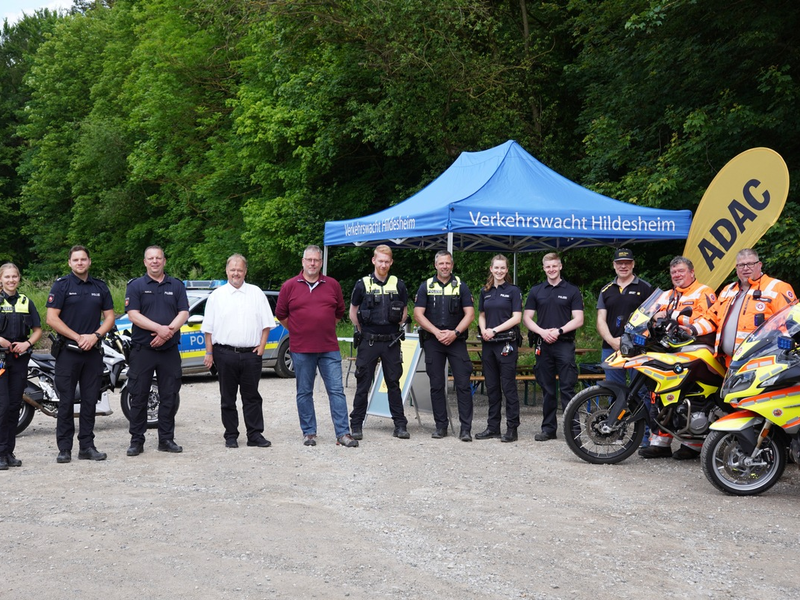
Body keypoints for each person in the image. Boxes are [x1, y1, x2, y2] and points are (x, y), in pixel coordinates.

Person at [275, 245, 358, 448]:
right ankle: (309, 432)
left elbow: (339, 312)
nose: (313, 263)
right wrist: (297, 329)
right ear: (303, 262)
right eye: (309, 260)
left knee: (336, 391)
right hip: (301, 348)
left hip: (329, 347)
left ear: (321, 263)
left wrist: (323, 326)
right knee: (304, 392)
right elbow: (281, 314)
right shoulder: (289, 286)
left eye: (316, 260)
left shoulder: (332, 285)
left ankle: (343, 433)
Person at [638, 255, 716, 460]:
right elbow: (650, 315)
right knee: (660, 392)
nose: (677, 275)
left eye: (681, 271)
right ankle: (660, 442)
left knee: (691, 394)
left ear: (692, 272)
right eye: (673, 272)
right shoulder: (666, 295)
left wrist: (683, 323)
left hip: (696, 348)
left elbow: (710, 319)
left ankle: (693, 443)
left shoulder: (704, 292)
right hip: (668, 349)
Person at [46, 246, 115, 464]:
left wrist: (95, 336)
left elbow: (110, 317)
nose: (80, 263)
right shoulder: (61, 286)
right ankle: (64, 448)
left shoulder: (99, 286)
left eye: (83, 259)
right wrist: (77, 337)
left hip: (92, 352)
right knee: (66, 401)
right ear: (69, 263)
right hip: (68, 352)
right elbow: (51, 318)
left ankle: (87, 446)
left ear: (89, 261)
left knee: (89, 401)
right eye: (75, 260)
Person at [201, 254, 276, 449]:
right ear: (227, 271)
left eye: (240, 270)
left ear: (245, 272)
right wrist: (209, 353)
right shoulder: (217, 296)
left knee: (252, 397)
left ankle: (255, 435)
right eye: (233, 270)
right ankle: (231, 435)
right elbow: (208, 329)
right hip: (224, 353)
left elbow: (267, 324)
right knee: (228, 397)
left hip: (251, 354)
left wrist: (262, 346)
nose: (236, 273)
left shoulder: (256, 293)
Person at [124, 246, 189, 456]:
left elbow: (184, 313)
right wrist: (159, 329)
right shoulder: (136, 286)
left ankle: (166, 439)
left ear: (164, 261)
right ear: (145, 262)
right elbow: (133, 315)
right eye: (150, 258)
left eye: (158, 258)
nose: (155, 261)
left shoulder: (176, 285)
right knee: (138, 396)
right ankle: (136, 441)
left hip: (169, 350)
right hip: (143, 350)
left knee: (169, 395)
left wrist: (167, 333)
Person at [349, 245, 410, 440]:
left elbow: (404, 312)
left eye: (386, 261)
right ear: (373, 261)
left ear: (391, 262)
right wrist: (362, 331)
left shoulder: (398, 284)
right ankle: (356, 424)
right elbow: (353, 311)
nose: (383, 265)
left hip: (391, 342)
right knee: (363, 383)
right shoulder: (362, 284)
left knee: (393, 383)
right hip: (369, 341)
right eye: (380, 261)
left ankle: (400, 425)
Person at [413, 250, 475, 441]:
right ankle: (441, 426)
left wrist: (454, 333)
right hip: (434, 341)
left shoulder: (461, 286)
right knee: (436, 385)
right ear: (435, 265)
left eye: (447, 263)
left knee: (463, 385)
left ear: (452, 265)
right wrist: (436, 332)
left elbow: (470, 314)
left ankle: (465, 429)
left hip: (456, 340)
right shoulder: (426, 286)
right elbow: (418, 314)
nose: (444, 266)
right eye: (441, 263)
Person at [695, 248, 795, 366]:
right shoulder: (728, 290)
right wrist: (692, 329)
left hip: (761, 360)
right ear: (736, 268)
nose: (746, 268)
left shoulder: (778, 287)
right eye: (741, 265)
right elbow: (712, 317)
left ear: (759, 265)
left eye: (750, 264)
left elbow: (791, 324)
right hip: (730, 362)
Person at [523, 252, 584, 441]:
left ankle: (573, 431)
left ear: (560, 267)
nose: (551, 269)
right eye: (548, 266)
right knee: (547, 389)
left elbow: (579, 319)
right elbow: (527, 318)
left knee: (567, 388)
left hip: (564, 344)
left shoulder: (572, 290)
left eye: (554, 266)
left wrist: (558, 331)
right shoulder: (536, 290)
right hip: (543, 344)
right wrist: (542, 332)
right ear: (544, 268)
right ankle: (548, 429)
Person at [596, 249, 653, 446]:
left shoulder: (645, 288)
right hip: (611, 347)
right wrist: (612, 340)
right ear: (614, 265)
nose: (623, 266)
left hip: (638, 350)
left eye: (627, 262)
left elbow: (653, 318)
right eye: (619, 263)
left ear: (633, 264)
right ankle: (616, 432)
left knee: (641, 392)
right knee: (614, 391)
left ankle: (645, 437)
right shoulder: (606, 290)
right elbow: (600, 320)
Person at [475, 254, 523, 443]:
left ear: (507, 269)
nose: (499, 271)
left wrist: (494, 330)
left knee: (508, 387)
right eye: (496, 268)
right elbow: (481, 314)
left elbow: (516, 318)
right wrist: (484, 330)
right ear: (491, 269)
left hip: (506, 343)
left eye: (503, 268)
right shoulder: (485, 291)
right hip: (488, 344)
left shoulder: (513, 291)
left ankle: (512, 428)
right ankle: (493, 427)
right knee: (492, 387)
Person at [0, 263, 42, 469]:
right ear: (1, 280)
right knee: (2, 405)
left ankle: (9, 452)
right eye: (7, 277)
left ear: (19, 278)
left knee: (14, 405)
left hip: (19, 359)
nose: (11, 280)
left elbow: (37, 330)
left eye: (14, 276)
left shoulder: (26, 301)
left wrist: (27, 343)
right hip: (0, 359)